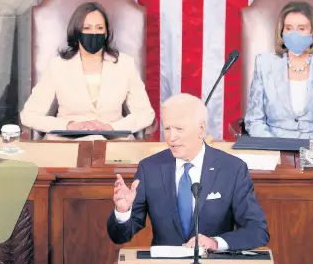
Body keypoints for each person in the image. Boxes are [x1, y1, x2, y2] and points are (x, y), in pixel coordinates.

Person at [107, 93, 269, 251]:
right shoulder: (150, 168)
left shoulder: (232, 169)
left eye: (179, 129)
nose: (171, 137)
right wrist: (122, 211)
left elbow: (257, 230)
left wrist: (215, 243)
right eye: (167, 128)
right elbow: (120, 236)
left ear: (201, 129)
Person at [20, 2, 155, 140]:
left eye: (99, 28)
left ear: (106, 32)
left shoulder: (125, 64)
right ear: (76, 31)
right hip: (68, 143)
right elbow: (29, 115)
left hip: (114, 142)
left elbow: (145, 114)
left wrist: (112, 128)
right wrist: (68, 126)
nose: (94, 33)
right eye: (87, 28)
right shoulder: (57, 66)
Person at [244, 1, 313, 141]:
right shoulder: (264, 63)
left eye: (301, 28)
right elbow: (254, 120)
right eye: (288, 28)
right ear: (282, 31)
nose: (294, 34)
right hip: (273, 145)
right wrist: (272, 147)